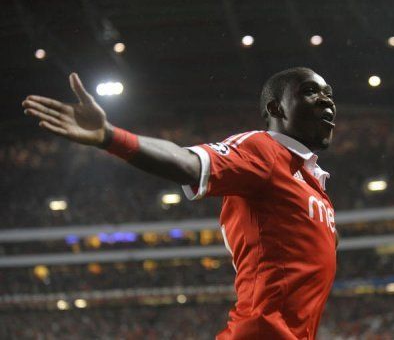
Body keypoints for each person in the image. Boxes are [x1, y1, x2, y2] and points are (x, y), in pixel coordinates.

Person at [22, 67, 339, 339]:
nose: (326, 99)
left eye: (329, 92)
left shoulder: (314, 183)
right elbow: (188, 162)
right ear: (276, 108)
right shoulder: (263, 150)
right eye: (311, 91)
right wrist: (110, 136)